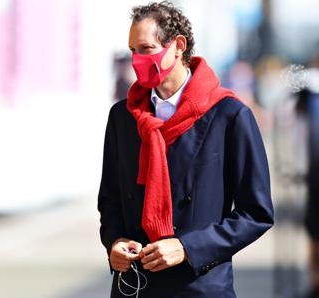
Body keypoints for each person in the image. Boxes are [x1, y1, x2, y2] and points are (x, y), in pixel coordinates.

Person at [97, 2, 274, 297]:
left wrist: (187, 248)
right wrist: (114, 242)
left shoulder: (229, 115)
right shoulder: (123, 116)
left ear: (178, 46)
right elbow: (110, 200)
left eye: (146, 48)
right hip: (135, 286)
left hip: (199, 285)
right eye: (132, 51)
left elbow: (256, 213)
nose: (137, 59)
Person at [295, 53, 319, 298]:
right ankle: (315, 283)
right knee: (314, 230)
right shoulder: (308, 90)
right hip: (315, 172)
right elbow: (300, 131)